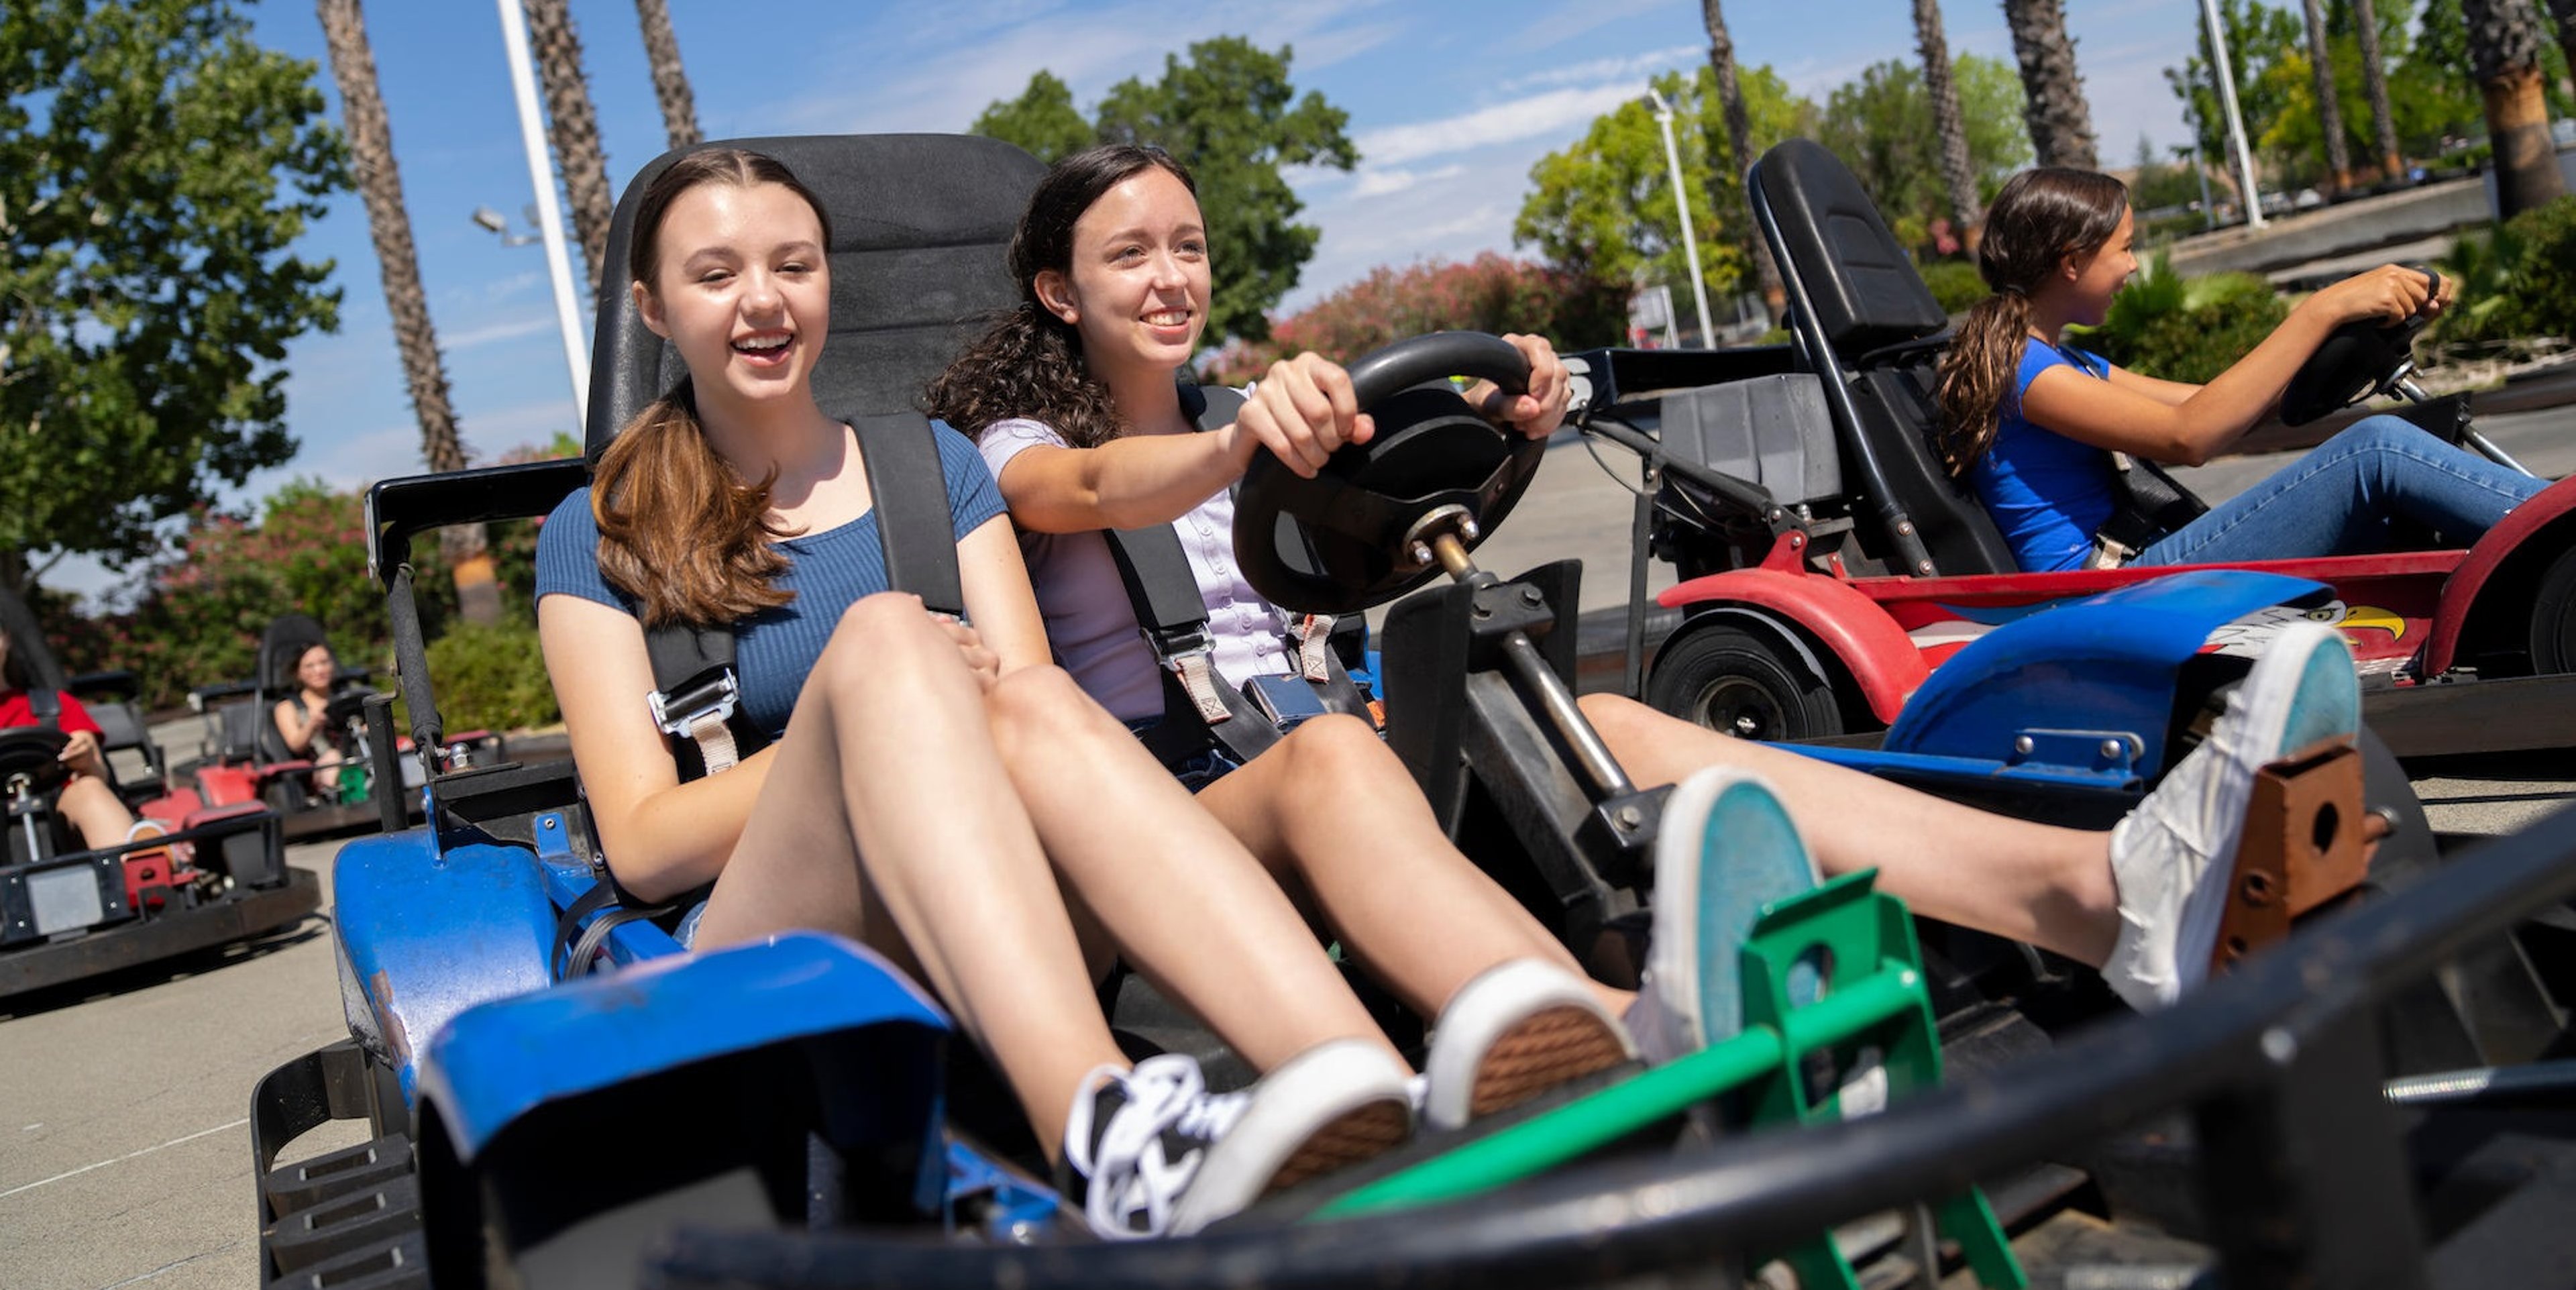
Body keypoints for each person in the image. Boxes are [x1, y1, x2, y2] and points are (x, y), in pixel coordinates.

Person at [531, 148, 1714, 1242]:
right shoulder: (597, 531)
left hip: (992, 886)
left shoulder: (928, 466)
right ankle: (1099, 1123)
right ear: (653, 307)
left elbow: (1036, 718)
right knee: (895, 640)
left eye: (793, 265)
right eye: (717, 273)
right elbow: (639, 844)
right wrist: (876, 712)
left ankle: (1401, 1097)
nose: (765, 300)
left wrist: (937, 701)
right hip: (773, 937)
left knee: (1280, 748)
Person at [928, 142, 2369, 1024]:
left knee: (1603, 721)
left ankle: (2098, 891)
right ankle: (1625, 1025)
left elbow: (1387, 512)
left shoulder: (1261, 406)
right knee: (1382, 738)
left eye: (1187, 246)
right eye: (1130, 255)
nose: (1170, 276)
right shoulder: (1019, 444)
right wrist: (1237, 440)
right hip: (1180, 806)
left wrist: (1516, 413)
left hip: (1329, 741)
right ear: (1061, 291)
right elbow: (1098, 492)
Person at [1934, 166, 2553, 574]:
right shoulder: (2023, 369)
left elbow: (2213, 401)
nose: (2135, 267)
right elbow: (2190, 437)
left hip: (2137, 566)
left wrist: (2353, 337)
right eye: (2125, 247)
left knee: (2395, 501)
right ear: (2072, 261)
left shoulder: (2064, 358)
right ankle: (2560, 524)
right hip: (2108, 587)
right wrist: (2323, 305)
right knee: (2377, 449)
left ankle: (2543, 551)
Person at [0, 625, 153, 853]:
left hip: (61, 815)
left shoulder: (54, 706)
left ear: (7, 639)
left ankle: (139, 869)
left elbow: (97, 772)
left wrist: (84, 756)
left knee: (89, 788)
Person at [271, 641, 355, 799]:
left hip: (357, 754)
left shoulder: (348, 696)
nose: (319, 670)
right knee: (333, 758)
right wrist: (312, 724)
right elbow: (296, 745)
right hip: (317, 768)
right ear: (298, 673)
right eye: (310, 666)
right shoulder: (288, 707)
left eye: (324, 662)